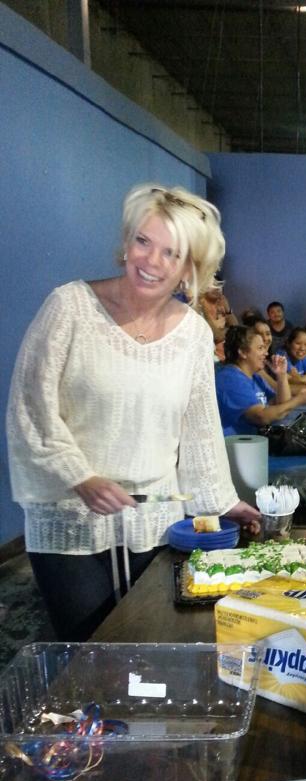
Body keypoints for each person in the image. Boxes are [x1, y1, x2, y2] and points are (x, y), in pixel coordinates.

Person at [6, 183, 260, 644]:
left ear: (189, 269)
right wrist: (81, 477)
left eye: (171, 253)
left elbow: (200, 431)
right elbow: (31, 409)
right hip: (71, 519)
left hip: (156, 520)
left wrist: (223, 502)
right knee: (90, 650)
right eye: (143, 241)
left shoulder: (195, 335)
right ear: (126, 242)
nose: (151, 261)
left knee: (152, 642)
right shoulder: (69, 308)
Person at [215, 325, 306, 436]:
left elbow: (281, 406)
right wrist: (298, 400)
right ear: (243, 352)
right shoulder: (230, 378)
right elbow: (261, 417)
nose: (266, 353)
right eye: (260, 348)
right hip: (235, 444)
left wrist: (281, 376)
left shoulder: (255, 377)